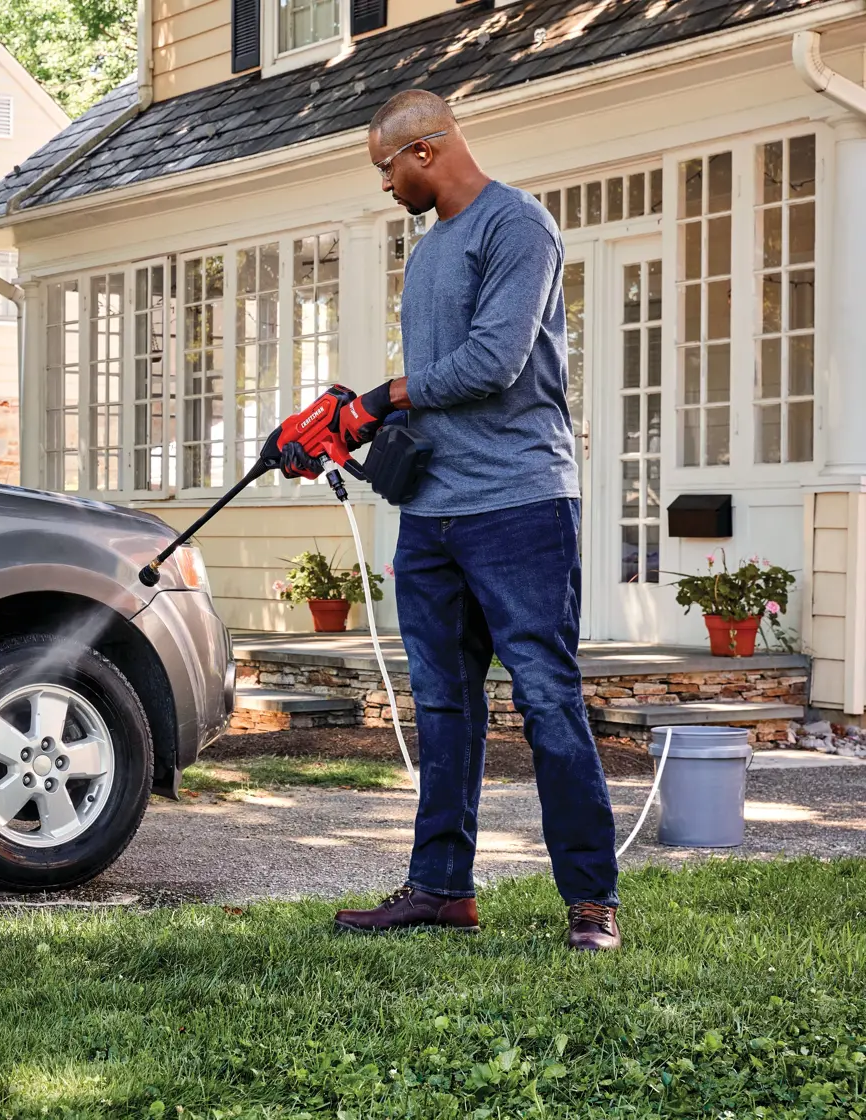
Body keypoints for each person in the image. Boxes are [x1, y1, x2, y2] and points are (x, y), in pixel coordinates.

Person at [306, 89, 621, 951]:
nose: (383, 187)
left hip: (519, 503)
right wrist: (354, 430)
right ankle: (442, 889)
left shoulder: (516, 225)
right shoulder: (430, 249)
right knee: (444, 707)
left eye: (385, 167)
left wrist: (386, 393)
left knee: (548, 699)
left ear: (427, 149)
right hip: (434, 512)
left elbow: (494, 360)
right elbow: (437, 387)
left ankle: (592, 902)